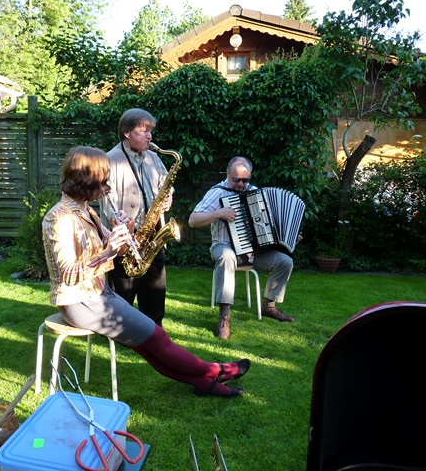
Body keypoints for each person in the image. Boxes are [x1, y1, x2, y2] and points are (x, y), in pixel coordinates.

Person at [43, 146, 249, 397]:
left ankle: (205, 384)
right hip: (80, 301)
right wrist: (108, 251)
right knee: (157, 338)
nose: (107, 186)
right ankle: (216, 370)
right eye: (103, 180)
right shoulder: (60, 218)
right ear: (86, 180)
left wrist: (123, 231)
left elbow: (115, 248)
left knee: (146, 345)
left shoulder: (87, 210)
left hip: (98, 293)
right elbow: (67, 274)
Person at [188, 156, 299, 340]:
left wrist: (289, 237)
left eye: (245, 180)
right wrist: (218, 213)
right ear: (227, 174)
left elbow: (270, 227)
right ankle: (224, 316)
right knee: (227, 257)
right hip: (223, 245)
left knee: (285, 262)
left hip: (251, 251)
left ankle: (269, 306)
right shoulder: (217, 192)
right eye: (236, 179)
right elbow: (193, 220)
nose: (241, 184)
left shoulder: (255, 193)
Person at [99, 108, 172, 327]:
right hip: (125, 237)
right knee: (123, 290)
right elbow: (106, 201)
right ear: (127, 133)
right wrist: (121, 225)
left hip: (153, 234)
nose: (150, 136)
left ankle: (155, 329)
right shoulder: (109, 160)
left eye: (150, 131)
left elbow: (166, 184)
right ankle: (119, 331)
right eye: (144, 131)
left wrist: (168, 197)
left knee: (155, 290)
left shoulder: (153, 158)